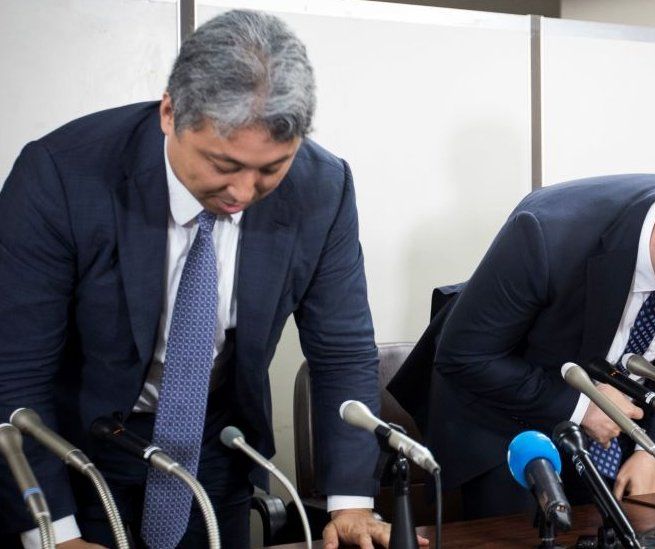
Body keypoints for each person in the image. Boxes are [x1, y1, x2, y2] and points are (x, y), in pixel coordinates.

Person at [0, 10, 412, 549]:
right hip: (78, 455)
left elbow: (342, 349)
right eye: (223, 164)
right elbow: (16, 371)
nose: (243, 192)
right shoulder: (62, 175)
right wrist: (53, 533)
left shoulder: (322, 186)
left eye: (270, 169)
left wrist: (350, 501)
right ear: (170, 112)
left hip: (220, 449)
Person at [412, 168, 655, 519]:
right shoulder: (546, 233)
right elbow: (464, 356)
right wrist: (582, 407)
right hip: (508, 427)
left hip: (619, 437)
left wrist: (652, 451)